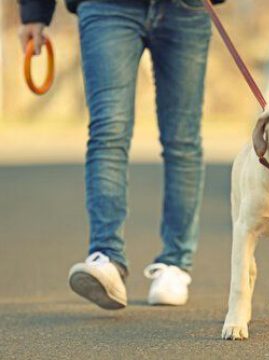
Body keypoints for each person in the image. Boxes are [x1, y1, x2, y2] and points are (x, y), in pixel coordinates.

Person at [18, 0, 223, 309]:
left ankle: (175, 265)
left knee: (182, 138)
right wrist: (35, 12)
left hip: (185, 7)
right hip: (106, 6)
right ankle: (106, 258)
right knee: (108, 131)